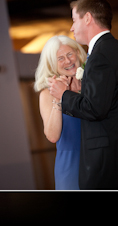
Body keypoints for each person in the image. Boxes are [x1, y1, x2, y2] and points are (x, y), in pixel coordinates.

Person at [48, 0, 118, 189]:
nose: (72, 28)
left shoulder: (100, 56)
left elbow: (95, 109)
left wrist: (63, 94)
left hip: (111, 165)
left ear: (87, 18)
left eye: (74, 20)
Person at [34, 35, 85, 190]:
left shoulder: (90, 84)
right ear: (52, 65)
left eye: (70, 54)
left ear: (78, 53)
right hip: (71, 166)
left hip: (101, 161)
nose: (68, 61)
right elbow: (52, 136)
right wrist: (59, 98)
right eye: (60, 58)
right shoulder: (47, 93)